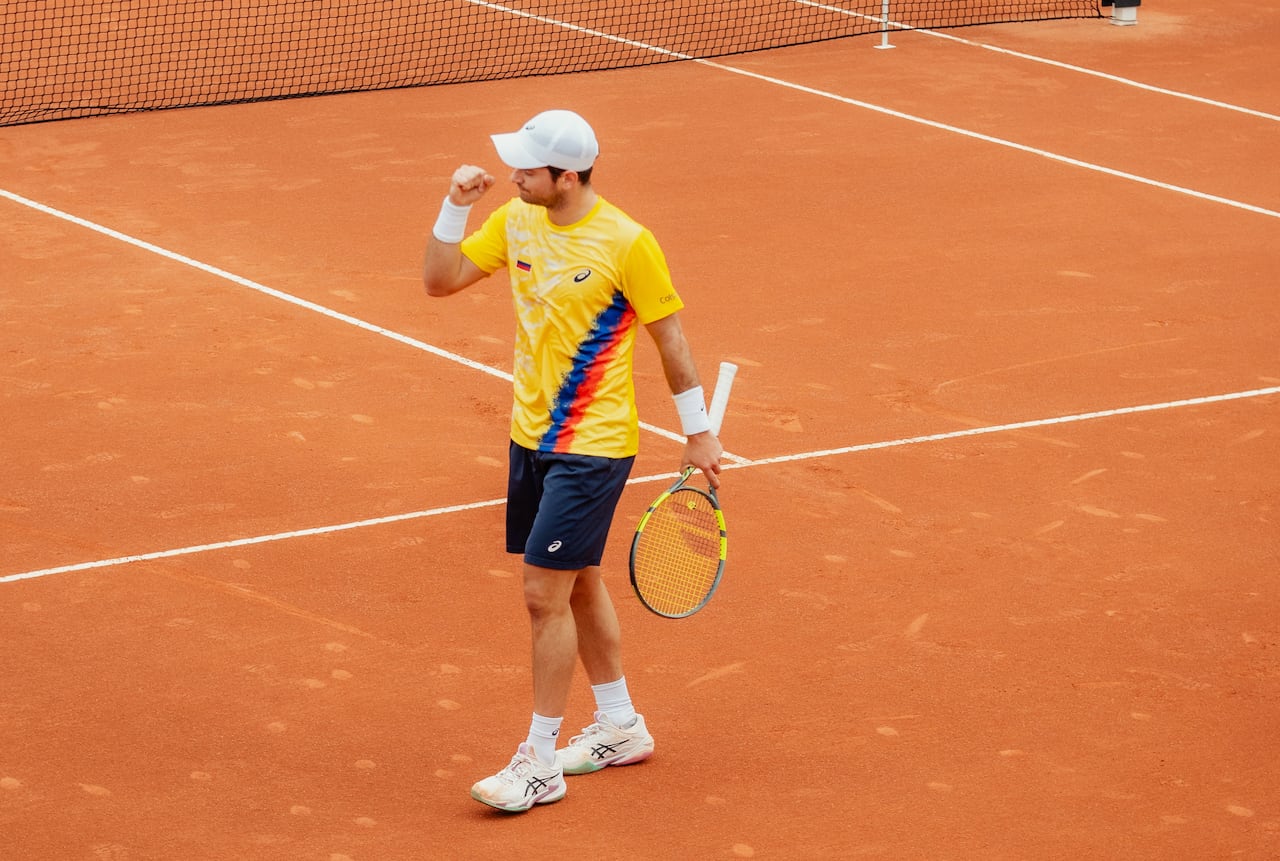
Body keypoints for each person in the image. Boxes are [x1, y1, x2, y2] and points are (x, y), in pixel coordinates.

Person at [422, 109, 723, 813]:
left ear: (569, 174)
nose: (515, 175)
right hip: (531, 436)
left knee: (541, 593)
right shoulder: (516, 221)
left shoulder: (627, 242)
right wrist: (453, 207)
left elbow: (669, 338)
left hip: (594, 445)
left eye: (529, 169)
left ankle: (538, 761)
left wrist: (698, 431)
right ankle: (620, 724)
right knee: (580, 581)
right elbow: (440, 281)